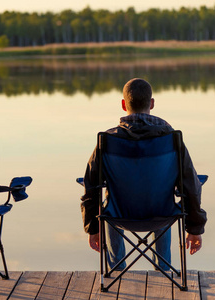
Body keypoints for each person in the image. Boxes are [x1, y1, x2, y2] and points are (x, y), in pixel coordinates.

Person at [81, 78, 207, 271]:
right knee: (163, 196)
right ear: (152, 103)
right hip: (162, 215)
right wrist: (195, 228)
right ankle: (163, 269)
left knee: (109, 201)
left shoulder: (107, 141)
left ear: (123, 105)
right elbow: (190, 185)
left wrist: (93, 228)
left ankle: (116, 270)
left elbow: (91, 186)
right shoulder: (171, 139)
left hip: (119, 216)